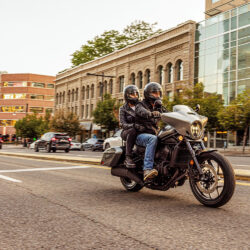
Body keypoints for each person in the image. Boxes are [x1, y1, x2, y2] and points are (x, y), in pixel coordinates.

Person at [134, 82, 168, 181]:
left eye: (158, 93)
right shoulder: (140, 104)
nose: (157, 95)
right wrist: (150, 113)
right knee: (152, 139)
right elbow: (141, 111)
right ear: (148, 94)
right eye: (155, 93)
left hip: (153, 133)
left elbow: (169, 114)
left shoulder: (159, 106)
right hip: (140, 135)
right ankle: (147, 169)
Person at [119, 85, 140, 168]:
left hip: (141, 130)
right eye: (132, 94)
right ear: (127, 95)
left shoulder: (141, 105)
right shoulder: (123, 108)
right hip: (127, 132)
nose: (135, 96)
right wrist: (134, 125)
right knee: (132, 131)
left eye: (136, 94)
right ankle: (128, 157)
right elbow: (123, 124)